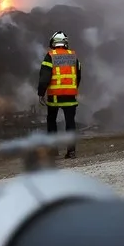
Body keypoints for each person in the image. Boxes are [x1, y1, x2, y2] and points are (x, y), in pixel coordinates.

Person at [37, 31, 82, 159]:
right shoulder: (73, 56)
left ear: (53, 42)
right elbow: (78, 76)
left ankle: (53, 152)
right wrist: (72, 89)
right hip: (70, 97)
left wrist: (41, 93)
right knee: (70, 124)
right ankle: (71, 151)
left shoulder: (50, 56)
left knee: (52, 122)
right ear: (65, 42)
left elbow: (44, 77)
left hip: (54, 97)